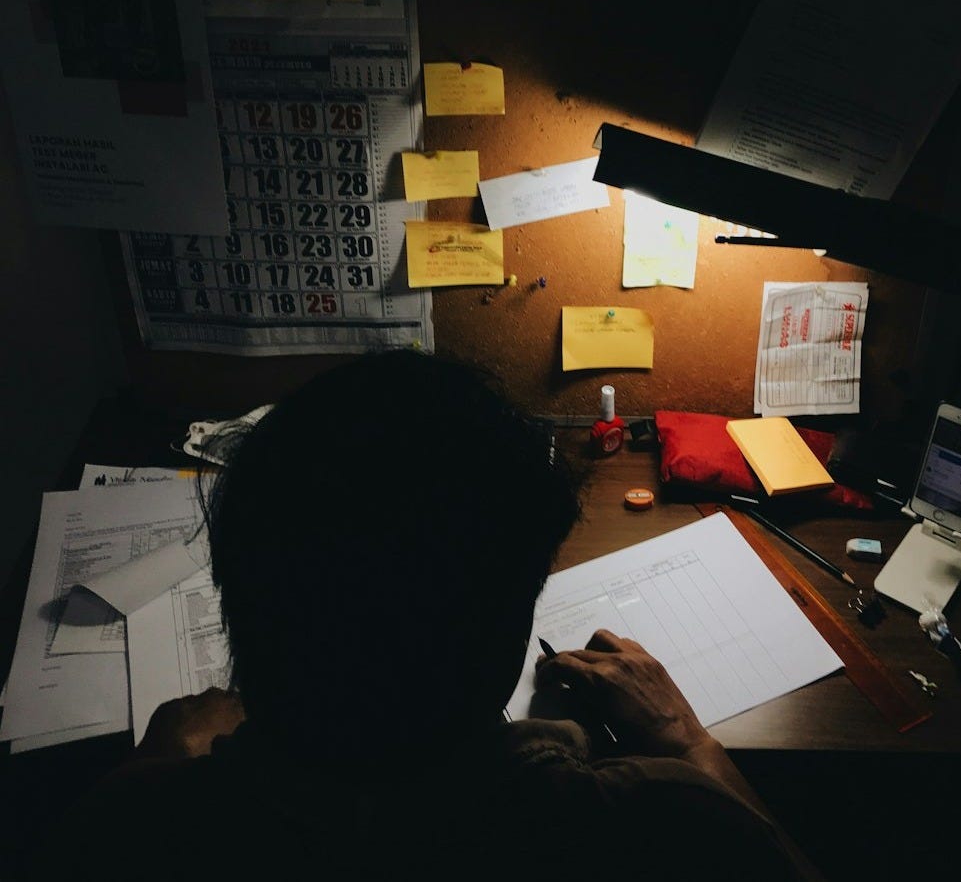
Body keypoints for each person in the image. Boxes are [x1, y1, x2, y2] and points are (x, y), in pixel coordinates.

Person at [36, 350, 820, 880]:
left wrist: (153, 765)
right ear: (507, 623)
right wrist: (687, 738)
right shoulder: (667, 828)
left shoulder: (130, 831)